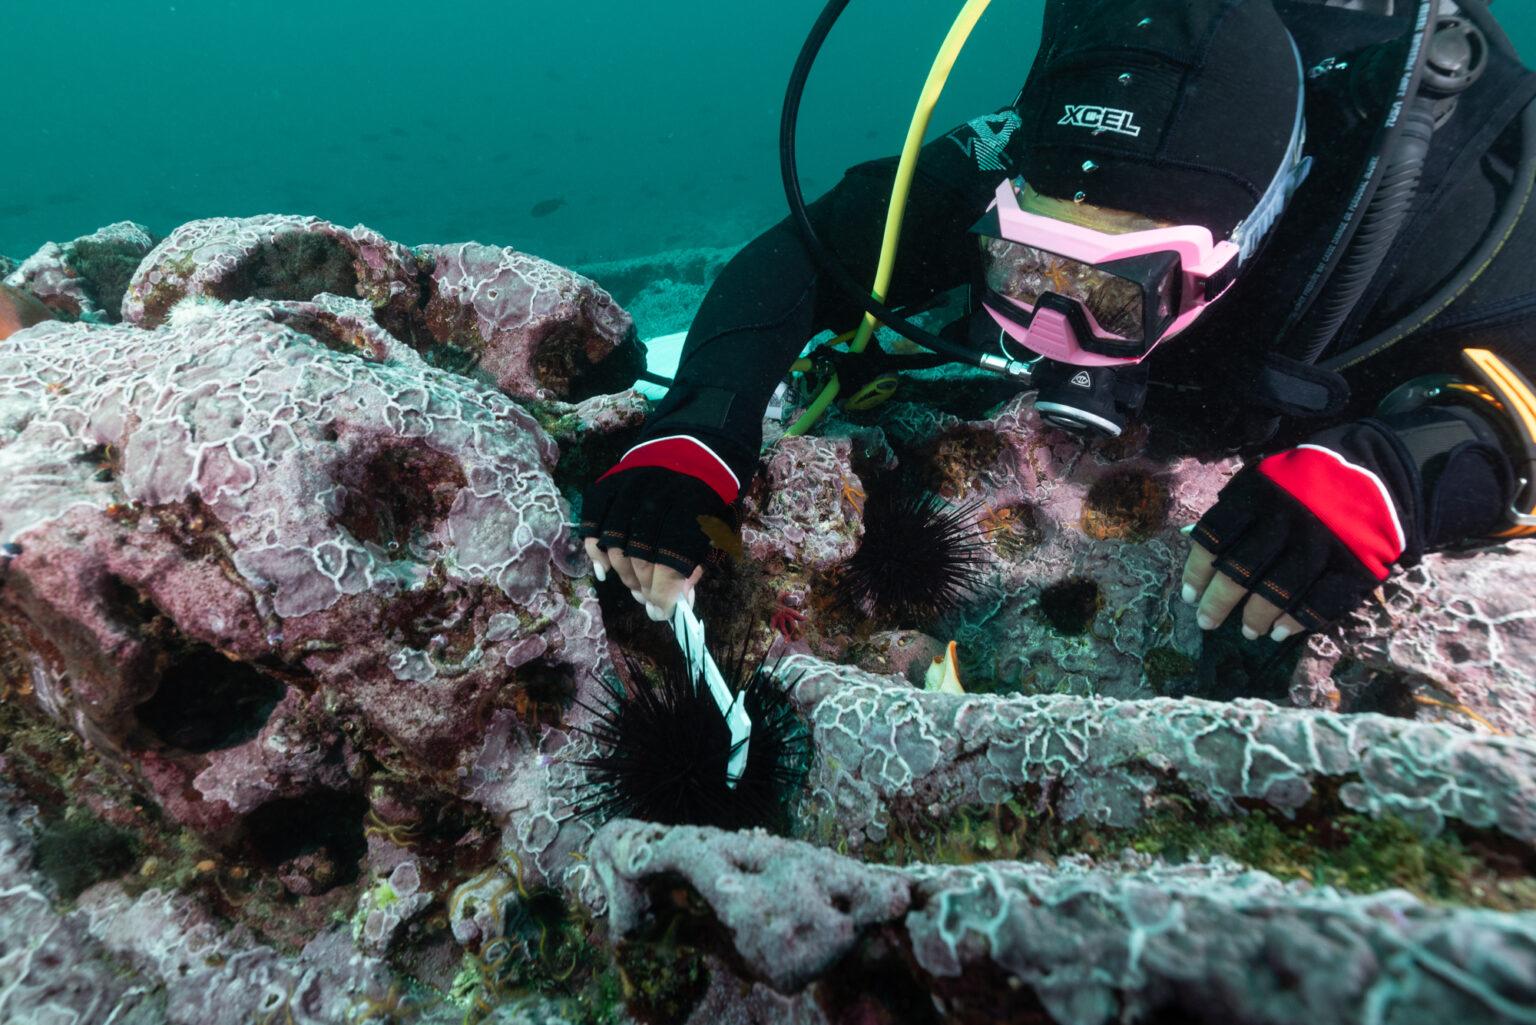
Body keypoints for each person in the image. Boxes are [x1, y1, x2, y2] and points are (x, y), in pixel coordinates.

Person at [582, 0, 1536, 649]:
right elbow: (807, 251)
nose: (1052, 326)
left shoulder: (1450, 207)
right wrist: (705, 420)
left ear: (1237, 247)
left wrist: (1405, 468)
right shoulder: (1040, 147)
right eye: (1021, 263)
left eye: (1116, 295)